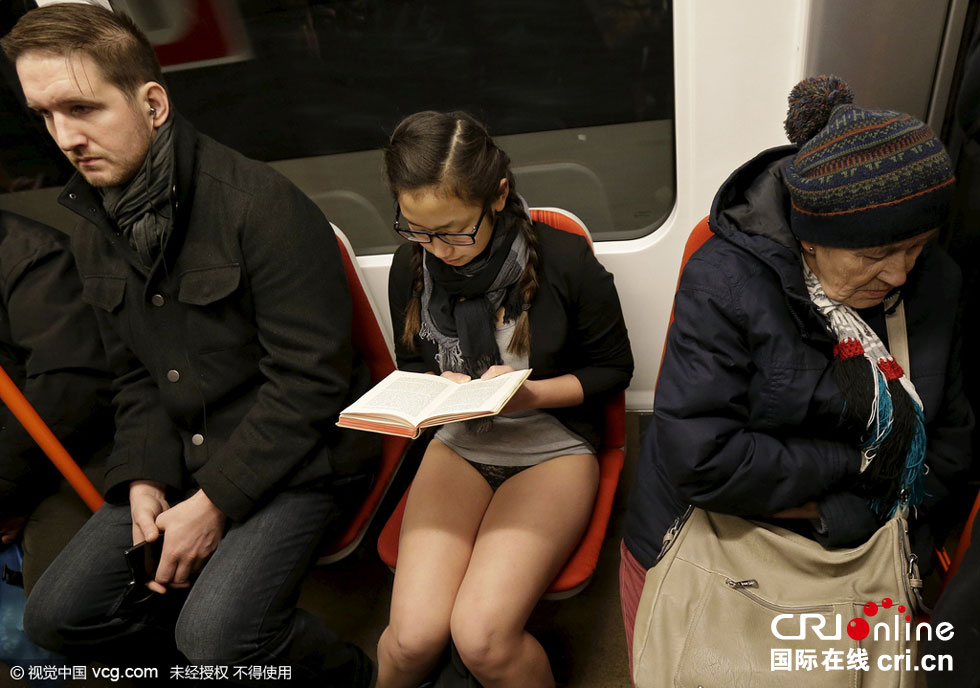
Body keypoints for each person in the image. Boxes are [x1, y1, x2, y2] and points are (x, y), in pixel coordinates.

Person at [1, 4, 377, 684]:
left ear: (152, 104)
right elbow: (134, 375)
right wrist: (144, 477)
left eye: (82, 108)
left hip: (297, 456)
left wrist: (213, 503)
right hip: (181, 451)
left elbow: (309, 386)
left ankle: (350, 677)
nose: (65, 137)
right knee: (55, 617)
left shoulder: (262, 205)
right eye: (46, 115)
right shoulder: (94, 221)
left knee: (216, 635)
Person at [620, 76, 974, 667]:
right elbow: (703, 459)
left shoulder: (936, 282)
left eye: (916, 247)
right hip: (720, 533)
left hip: (868, 535)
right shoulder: (727, 281)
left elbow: (952, 442)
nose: (899, 274)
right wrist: (860, 470)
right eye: (875, 255)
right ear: (809, 241)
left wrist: (860, 511)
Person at [377, 111, 633, 688]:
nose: (438, 249)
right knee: (410, 641)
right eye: (418, 231)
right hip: (459, 442)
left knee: (483, 640)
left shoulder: (565, 261)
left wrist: (531, 393)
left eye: (453, 231)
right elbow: (412, 361)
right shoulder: (410, 266)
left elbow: (614, 371)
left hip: (552, 448)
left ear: (497, 196)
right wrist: (435, 389)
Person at [0, 209, 113, 596]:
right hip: (18, 457)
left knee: (61, 598)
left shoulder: (36, 258)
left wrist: (6, 494)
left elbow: (70, 396)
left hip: (73, 453)